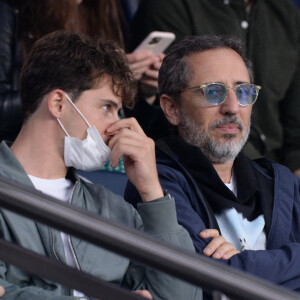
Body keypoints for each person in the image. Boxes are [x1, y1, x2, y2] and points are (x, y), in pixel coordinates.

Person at [0, 30, 200, 299]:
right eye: (107, 108)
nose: (117, 125)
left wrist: (153, 193)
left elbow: (182, 296)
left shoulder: (112, 209)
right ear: (58, 103)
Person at [125, 35, 300, 292]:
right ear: (172, 108)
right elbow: (203, 280)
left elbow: (229, 272)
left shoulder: (279, 181)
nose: (232, 107)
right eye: (213, 92)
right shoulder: (154, 182)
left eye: (243, 92)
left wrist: (238, 262)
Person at [129, 0, 300, 176]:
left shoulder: (287, 13)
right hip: (202, 173)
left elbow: (296, 131)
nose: (233, 107)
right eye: (213, 91)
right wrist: (266, 182)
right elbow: (192, 127)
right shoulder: (170, 6)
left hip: (277, 177)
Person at [0, 0, 163, 143]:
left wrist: (144, 93)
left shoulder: (105, 12)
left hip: (100, 162)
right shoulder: (11, 11)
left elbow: (115, 119)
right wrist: (85, 82)